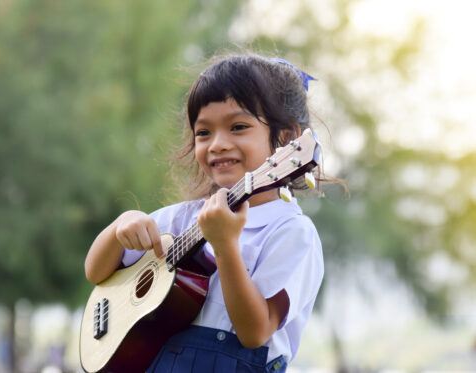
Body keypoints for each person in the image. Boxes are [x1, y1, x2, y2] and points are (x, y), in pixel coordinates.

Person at [84, 54, 324, 372]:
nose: (218, 144)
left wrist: (225, 246)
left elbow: (255, 331)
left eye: (238, 127)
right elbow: (95, 272)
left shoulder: (291, 232)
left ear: (285, 139)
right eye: (203, 133)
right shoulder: (179, 220)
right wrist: (119, 228)